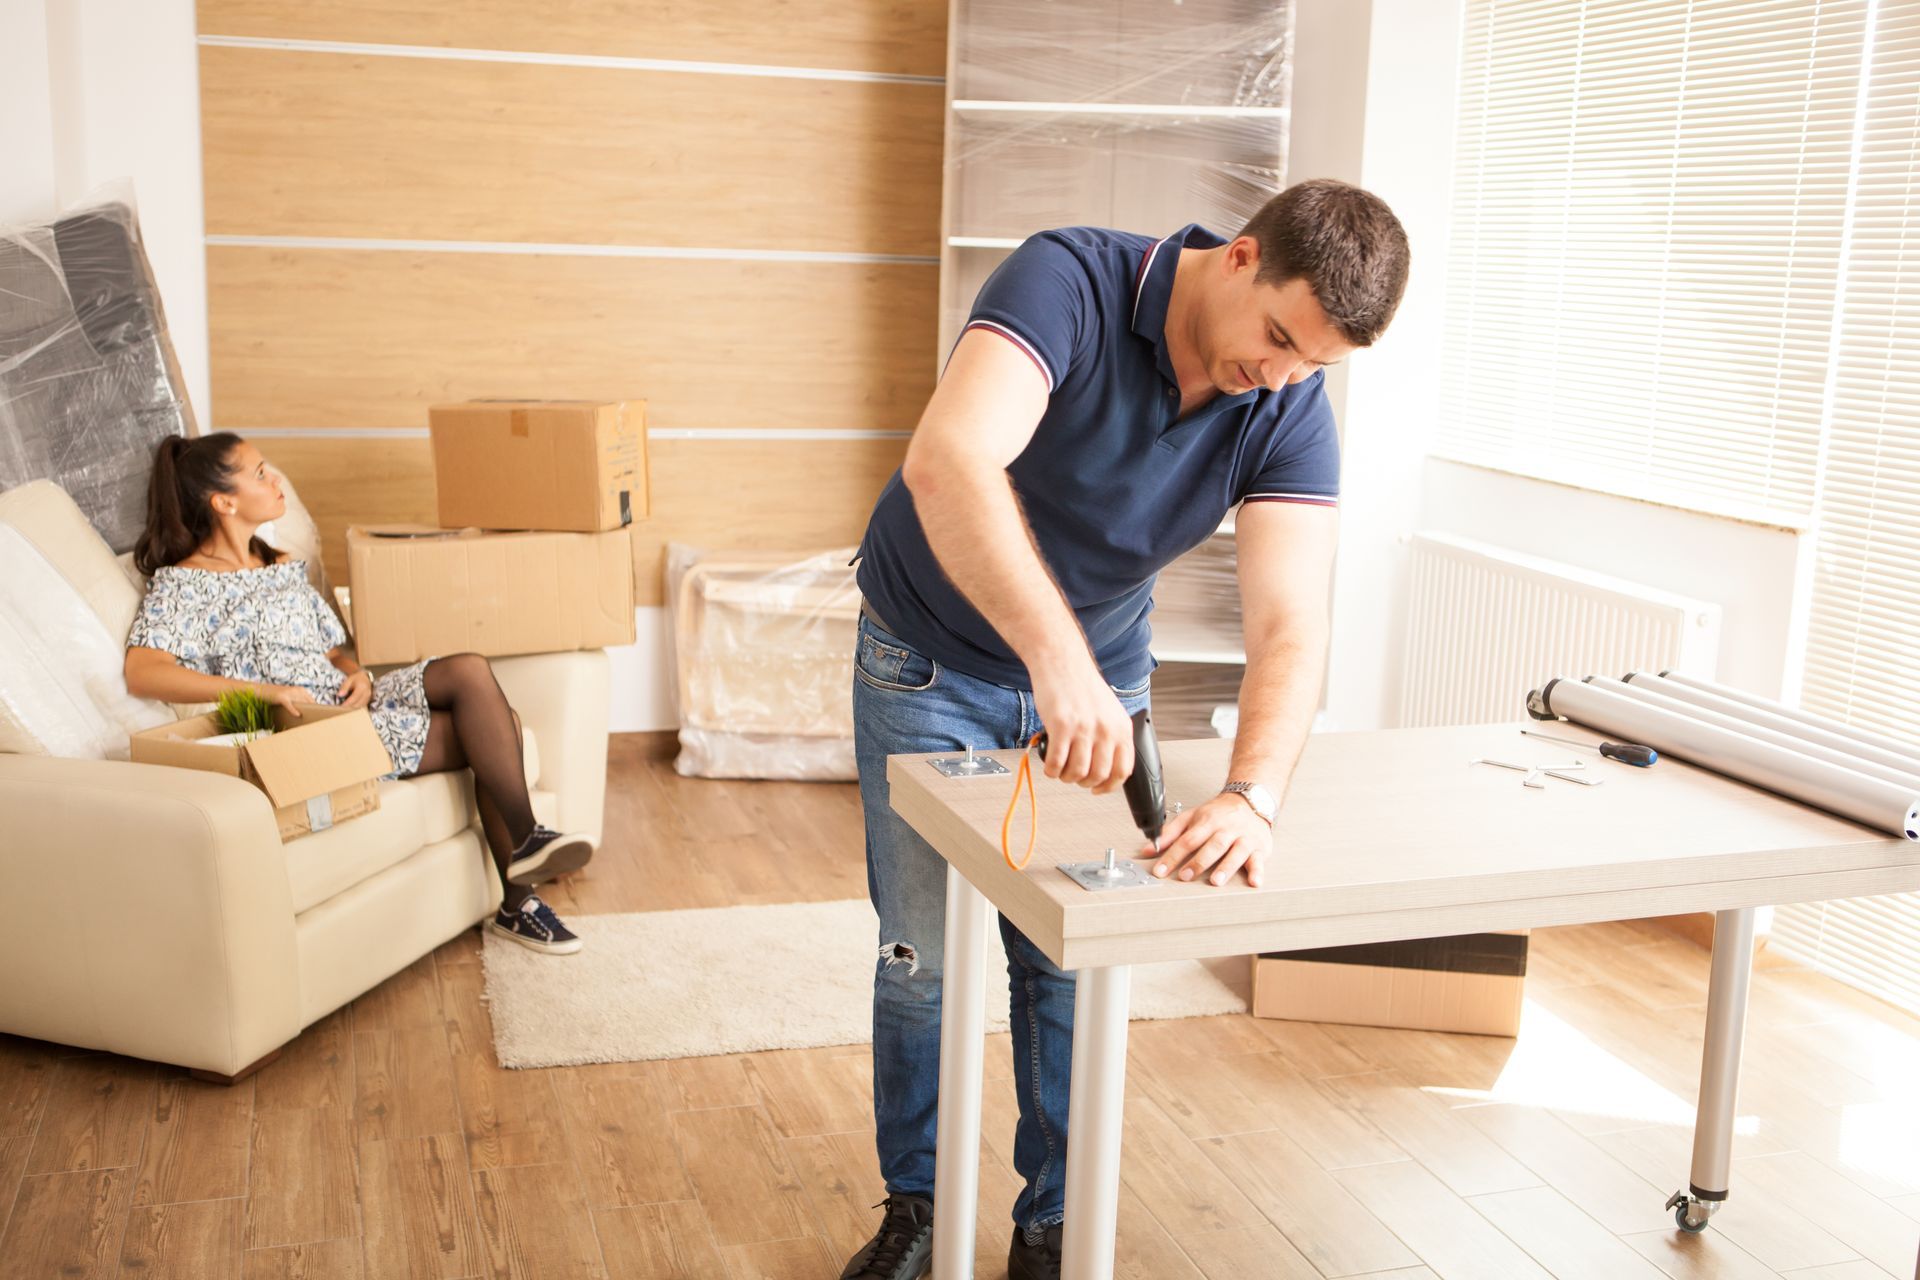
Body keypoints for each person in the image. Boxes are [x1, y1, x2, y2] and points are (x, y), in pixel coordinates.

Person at [837, 179, 1411, 1280]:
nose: (1280, 375)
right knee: (923, 962)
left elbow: (1293, 616)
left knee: (1068, 962)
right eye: (1280, 336)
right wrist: (1060, 663)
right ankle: (919, 1207)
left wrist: (1253, 794)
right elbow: (948, 458)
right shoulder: (1069, 280)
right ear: (1240, 258)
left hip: (1097, 695)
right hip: (928, 661)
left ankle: (1053, 1225)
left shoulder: (1287, 402)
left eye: (1314, 363)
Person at [122, 432, 597, 955]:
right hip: (317, 728)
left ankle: (527, 853)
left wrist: (359, 672)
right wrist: (260, 689)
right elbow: (144, 672)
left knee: (468, 670)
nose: (275, 479)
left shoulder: (277, 563)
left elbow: (332, 652)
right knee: (497, 727)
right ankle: (521, 893)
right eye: (259, 474)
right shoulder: (181, 585)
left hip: (352, 698)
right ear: (223, 501)